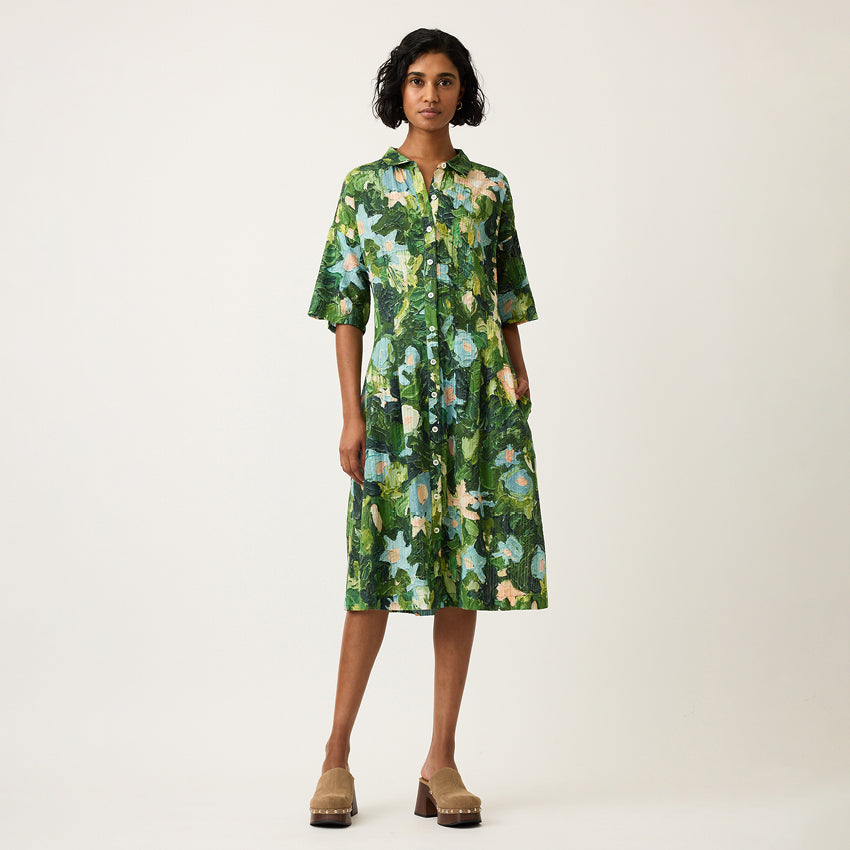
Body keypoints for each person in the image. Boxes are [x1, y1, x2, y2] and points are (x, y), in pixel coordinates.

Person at [305, 27, 548, 828]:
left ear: (461, 92)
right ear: (398, 91)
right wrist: (351, 415)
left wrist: (516, 375)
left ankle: (440, 761)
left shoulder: (489, 188)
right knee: (375, 575)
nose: (431, 94)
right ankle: (336, 755)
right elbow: (346, 309)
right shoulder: (364, 189)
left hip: (477, 402)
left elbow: (508, 296)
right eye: (417, 80)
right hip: (393, 407)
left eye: (445, 80)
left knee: (465, 575)